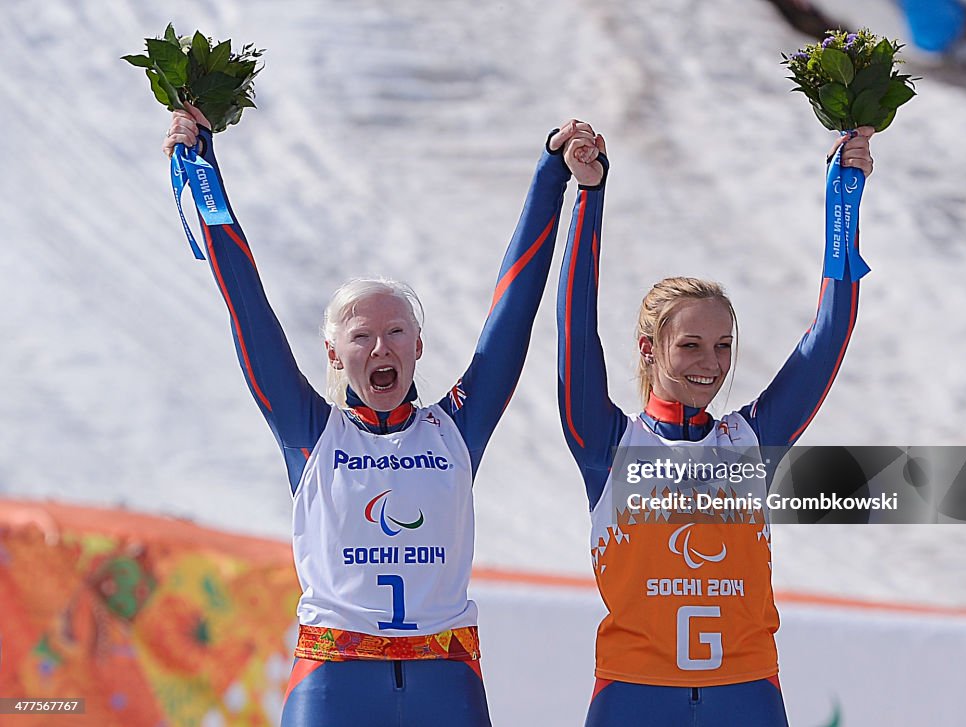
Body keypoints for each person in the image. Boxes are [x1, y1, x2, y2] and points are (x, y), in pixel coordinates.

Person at [162, 105, 602, 727]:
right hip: (334, 684)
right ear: (333, 353)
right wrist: (202, 164)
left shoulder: (456, 428)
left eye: (396, 332)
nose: (380, 348)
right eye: (361, 335)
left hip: (445, 680)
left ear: (418, 347)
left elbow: (515, 306)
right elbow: (245, 300)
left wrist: (550, 174)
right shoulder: (309, 432)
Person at [556, 128, 875, 726]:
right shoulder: (606, 443)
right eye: (693, 345)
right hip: (633, 695)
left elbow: (829, 332)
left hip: (746, 692)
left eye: (723, 345)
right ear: (650, 348)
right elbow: (574, 325)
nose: (711, 363)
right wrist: (589, 196)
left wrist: (843, 195)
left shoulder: (752, 441)